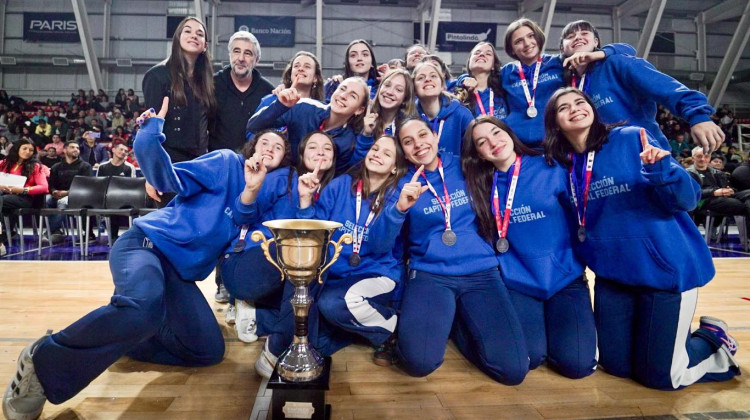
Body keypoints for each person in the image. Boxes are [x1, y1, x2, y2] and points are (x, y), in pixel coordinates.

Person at [1, 98, 270, 420]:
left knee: (207, 352)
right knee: (143, 307)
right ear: (250, 148)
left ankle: (112, 335)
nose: (269, 149)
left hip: (177, 275)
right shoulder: (226, 163)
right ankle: (43, 360)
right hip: (145, 245)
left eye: (278, 148)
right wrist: (149, 133)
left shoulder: (258, 208)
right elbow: (167, 178)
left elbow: (241, 239)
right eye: (264, 142)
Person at [544, 86, 739, 390]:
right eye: (563, 107)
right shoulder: (562, 165)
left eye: (580, 101)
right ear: (554, 122)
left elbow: (689, 199)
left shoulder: (632, 138)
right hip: (614, 278)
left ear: (593, 109)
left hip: (664, 273)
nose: (574, 109)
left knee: (663, 378)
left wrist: (663, 171)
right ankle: (670, 344)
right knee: (617, 367)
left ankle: (714, 341)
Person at [390, 117, 529, 384]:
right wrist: (399, 208)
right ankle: (447, 321)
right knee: (419, 363)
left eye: (422, 135)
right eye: (408, 142)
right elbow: (388, 242)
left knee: (513, 372)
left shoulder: (465, 166)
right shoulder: (400, 184)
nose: (418, 145)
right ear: (403, 150)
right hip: (431, 274)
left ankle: (456, 324)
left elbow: (504, 159)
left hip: (481, 273)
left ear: (435, 135)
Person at [461, 116, 596, 379]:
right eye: (482, 142)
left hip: (564, 279)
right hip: (518, 283)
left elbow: (582, 213)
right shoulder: (480, 186)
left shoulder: (550, 166)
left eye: (496, 133)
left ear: (509, 133)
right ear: (478, 153)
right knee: (531, 358)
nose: (493, 142)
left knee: (578, 366)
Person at [278, 134, 407, 371]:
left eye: (386, 154)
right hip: (336, 275)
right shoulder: (340, 185)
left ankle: (392, 326)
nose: (377, 154)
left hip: (375, 273)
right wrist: (305, 200)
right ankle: (355, 330)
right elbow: (317, 232)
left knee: (331, 304)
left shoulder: (398, 197)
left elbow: (380, 246)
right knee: (317, 343)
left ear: (395, 167)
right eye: (375, 149)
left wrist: (397, 211)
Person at [222, 131, 335, 346]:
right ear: (301, 155)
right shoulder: (284, 177)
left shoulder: (330, 191)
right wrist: (252, 187)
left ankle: (258, 317)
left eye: (327, 148)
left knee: (318, 305)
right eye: (312, 147)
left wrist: (305, 200)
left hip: (280, 274)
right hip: (246, 264)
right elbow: (242, 216)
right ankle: (280, 348)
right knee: (311, 253)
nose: (320, 151)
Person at [558, 19, 724, 154]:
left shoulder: (618, 63)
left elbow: (665, 87)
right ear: (562, 49)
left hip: (645, 155)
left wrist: (698, 116)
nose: (578, 37)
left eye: (584, 33)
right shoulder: (565, 83)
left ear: (596, 42)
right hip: (601, 162)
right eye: (571, 36)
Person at [501, 18, 628, 148]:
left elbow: (626, 49)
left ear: (538, 38)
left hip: (557, 144)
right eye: (518, 41)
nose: (527, 43)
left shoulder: (560, 62)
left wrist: (599, 53)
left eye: (531, 36)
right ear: (511, 49)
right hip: (520, 148)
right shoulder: (505, 73)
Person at [247, 77, 368, 174]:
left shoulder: (348, 141)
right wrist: (280, 105)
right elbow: (253, 126)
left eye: (352, 96)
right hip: (280, 177)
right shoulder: (305, 107)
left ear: (359, 110)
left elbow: (335, 177)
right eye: (342, 89)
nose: (343, 96)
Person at [142, 16, 216, 163]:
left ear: (205, 46)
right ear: (177, 38)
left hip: (199, 161)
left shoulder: (207, 81)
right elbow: (151, 131)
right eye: (187, 31)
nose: (194, 36)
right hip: (168, 161)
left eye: (200, 34)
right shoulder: (157, 76)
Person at [209, 30, 274, 153]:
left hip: (253, 164)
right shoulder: (211, 85)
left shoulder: (268, 92)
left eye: (248, 53)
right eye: (236, 51)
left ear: (257, 60)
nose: (241, 58)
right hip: (217, 162)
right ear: (230, 55)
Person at [412, 61, 473, 157]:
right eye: (421, 78)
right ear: (414, 89)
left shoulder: (462, 115)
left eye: (433, 76)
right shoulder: (409, 118)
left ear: (442, 86)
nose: (428, 79)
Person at [0, 139, 49, 256]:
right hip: (4, 195)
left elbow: (44, 187)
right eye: (25, 149)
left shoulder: (36, 167)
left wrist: (23, 189)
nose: (28, 152)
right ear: (17, 149)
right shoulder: (3, 163)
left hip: (24, 198)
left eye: (31, 150)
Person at [687, 146, 750, 229]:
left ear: (709, 158)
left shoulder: (718, 173)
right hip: (704, 200)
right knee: (744, 205)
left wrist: (730, 190)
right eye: (699, 156)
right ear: (693, 158)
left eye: (706, 156)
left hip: (723, 197)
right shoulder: (687, 173)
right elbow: (690, 193)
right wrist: (714, 192)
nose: (702, 159)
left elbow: (728, 186)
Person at [358, 68, 416, 150]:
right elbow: (353, 161)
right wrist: (366, 134)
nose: (390, 92)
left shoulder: (408, 128)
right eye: (387, 85)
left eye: (398, 90)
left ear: (405, 99)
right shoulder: (362, 116)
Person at [45, 141, 93, 239]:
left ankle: (48, 232)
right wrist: (54, 191)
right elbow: (51, 185)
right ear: (65, 150)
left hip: (77, 196)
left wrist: (67, 193)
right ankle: (56, 229)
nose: (76, 150)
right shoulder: (56, 167)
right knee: (46, 200)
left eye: (77, 148)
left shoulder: (85, 166)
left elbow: (86, 186)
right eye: (72, 147)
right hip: (58, 194)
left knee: (62, 202)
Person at [455, 42, 508, 120]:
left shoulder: (504, 89)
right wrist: (462, 80)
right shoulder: (456, 92)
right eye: (477, 53)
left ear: (493, 65)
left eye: (488, 54)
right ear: (469, 62)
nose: (482, 54)